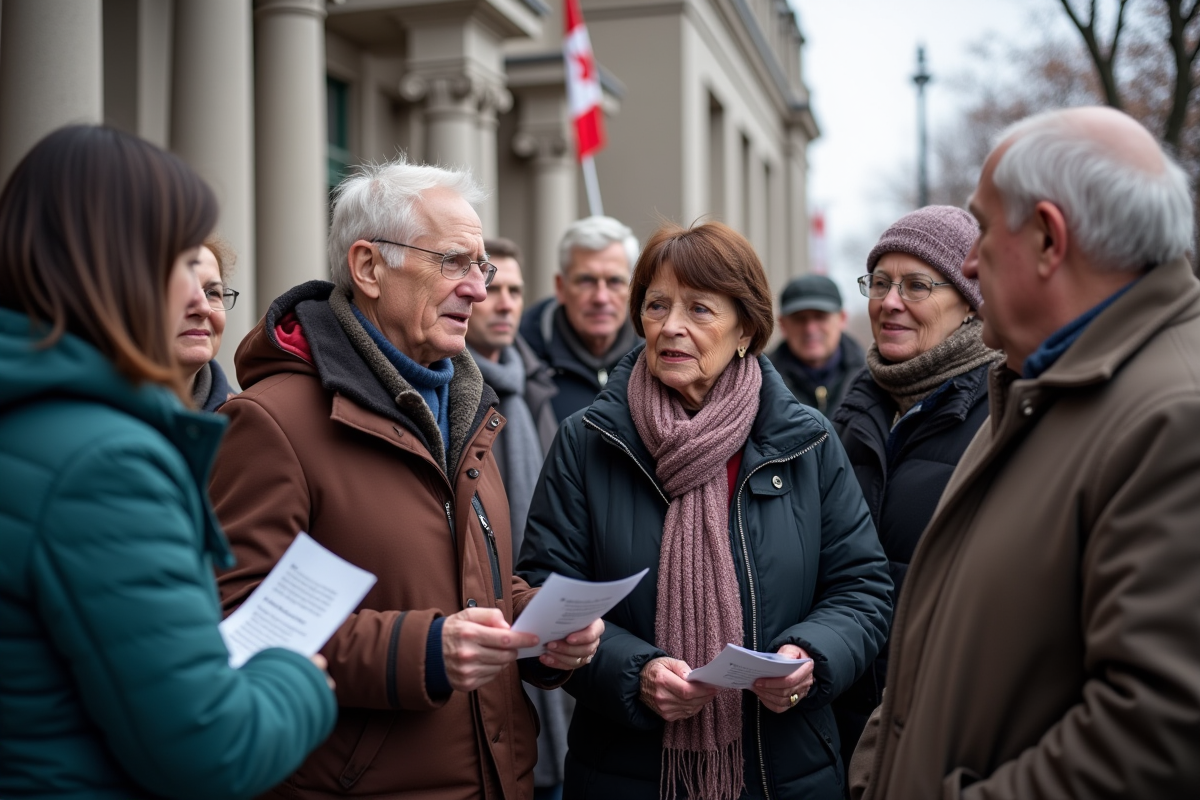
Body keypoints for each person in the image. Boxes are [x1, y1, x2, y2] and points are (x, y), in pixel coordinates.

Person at [208, 157, 603, 800]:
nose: (477, 289)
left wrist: (539, 632)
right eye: (453, 261)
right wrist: (419, 652)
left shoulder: (470, 409)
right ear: (368, 267)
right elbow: (239, 621)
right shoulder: (269, 422)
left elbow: (468, 589)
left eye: (483, 266)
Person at [850, 107, 1200, 799]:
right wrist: (875, 775)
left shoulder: (1173, 418)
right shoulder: (1035, 386)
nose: (971, 262)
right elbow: (933, 636)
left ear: (1048, 238)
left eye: (981, 228)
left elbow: (1158, 732)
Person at [0, 125, 336, 799]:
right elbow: (211, 750)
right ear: (101, 265)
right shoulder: (105, 464)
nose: (200, 300)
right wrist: (298, 677)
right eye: (175, 260)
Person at [519, 220, 893, 800]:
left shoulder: (807, 440)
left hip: (783, 769)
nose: (671, 327)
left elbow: (862, 586)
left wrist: (812, 656)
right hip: (628, 770)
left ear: (746, 327)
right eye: (657, 305)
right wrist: (632, 672)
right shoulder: (587, 439)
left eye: (699, 309)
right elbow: (546, 595)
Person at [829, 204, 1000, 768]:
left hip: (946, 735)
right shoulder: (848, 418)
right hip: (839, 724)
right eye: (879, 283)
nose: (889, 302)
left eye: (916, 285)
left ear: (969, 298)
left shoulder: (1004, 416)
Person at [465, 236, 568, 800]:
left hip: (545, 628)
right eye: (492, 289)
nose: (504, 303)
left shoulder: (535, 389)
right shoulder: (460, 393)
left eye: (514, 291)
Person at [519, 215, 641, 420]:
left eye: (614, 281)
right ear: (560, 286)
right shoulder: (521, 360)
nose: (601, 298)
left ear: (632, 288)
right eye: (586, 281)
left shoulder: (655, 359)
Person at [768, 274, 865, 415]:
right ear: (782, 324)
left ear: (842, 319)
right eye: (799, 319)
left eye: (820, 317)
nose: (810, 329)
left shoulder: (871, 380)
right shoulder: (761, 383)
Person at [175, 236, 238, 411]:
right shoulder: (96, 420)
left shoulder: (248, 425)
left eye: (212, 293)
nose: (203, 308)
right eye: (181, 288)